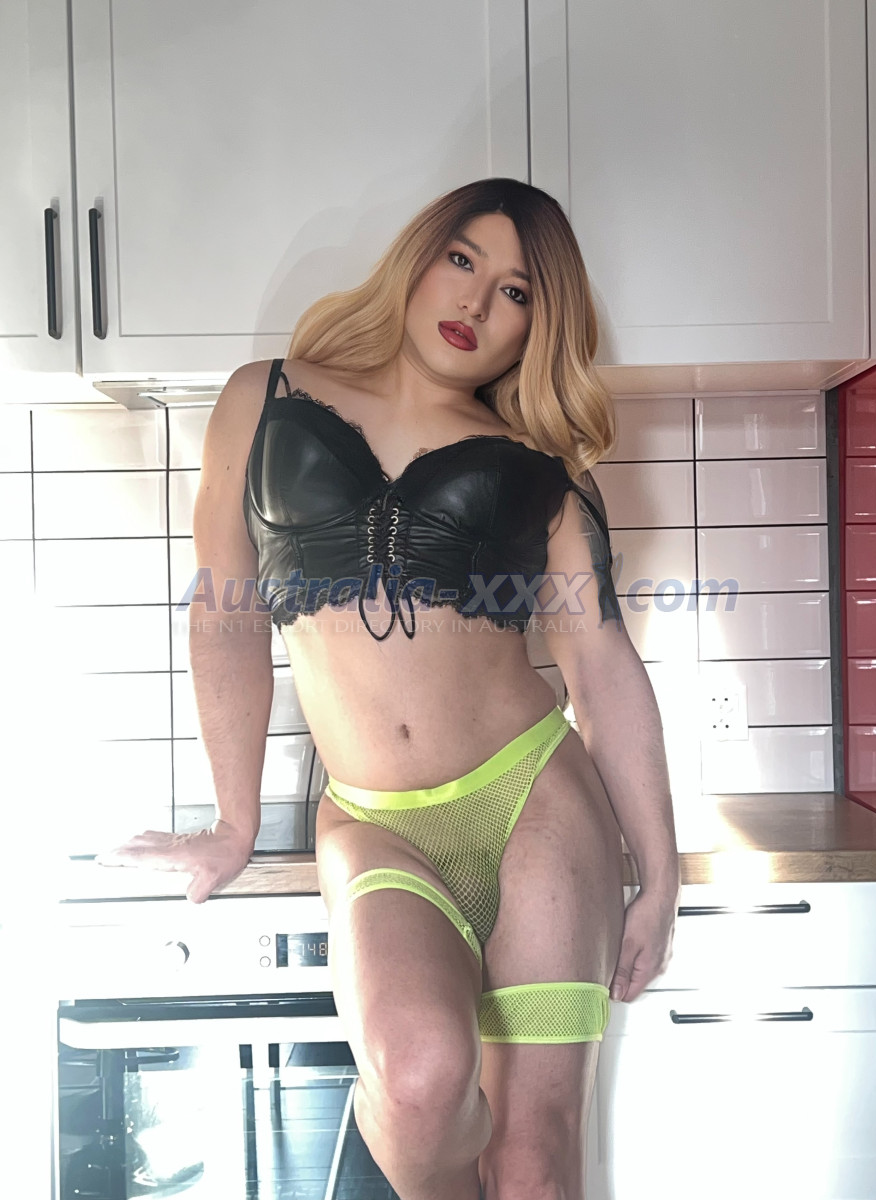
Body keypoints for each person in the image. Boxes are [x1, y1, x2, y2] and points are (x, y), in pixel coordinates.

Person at [100, 178, 680, 1200]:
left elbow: (601, 666)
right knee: (417, 1080)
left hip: (536, 802)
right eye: (463, 260)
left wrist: (661, 877)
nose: (476, 302)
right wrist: (235, 823)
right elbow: (226, 616)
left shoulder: (540, 466)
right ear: (419, 258)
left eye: (516, 292)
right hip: (375, 822)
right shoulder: (265, 399)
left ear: (536, 327)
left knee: (536, 1167)